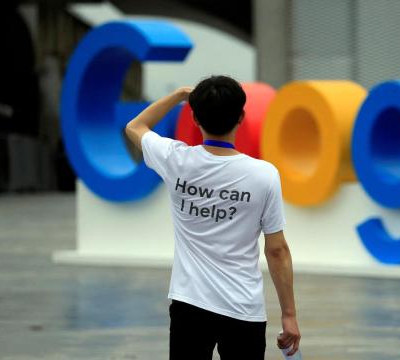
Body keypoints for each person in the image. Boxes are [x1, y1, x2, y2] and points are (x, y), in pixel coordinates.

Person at [125, 75, 301, 359]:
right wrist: (289, 315)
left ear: (195, 119)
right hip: (243, 308)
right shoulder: (263, 175)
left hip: (189, 305)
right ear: (241, 117)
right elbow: (277, 250)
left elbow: (135, 126)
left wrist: (180, 94)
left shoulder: (176, 160)